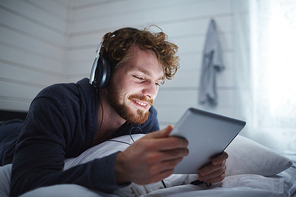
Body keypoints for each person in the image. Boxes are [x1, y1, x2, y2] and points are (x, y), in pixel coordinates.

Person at [0, 27, 228, 197]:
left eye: (157, 83)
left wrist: (200, 174)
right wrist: (118, 168)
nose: (150, 93)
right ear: (104, 75)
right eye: (139, 77)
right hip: (9, 135)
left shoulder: (146, 118)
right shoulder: (57, 103)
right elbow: (26, 187)